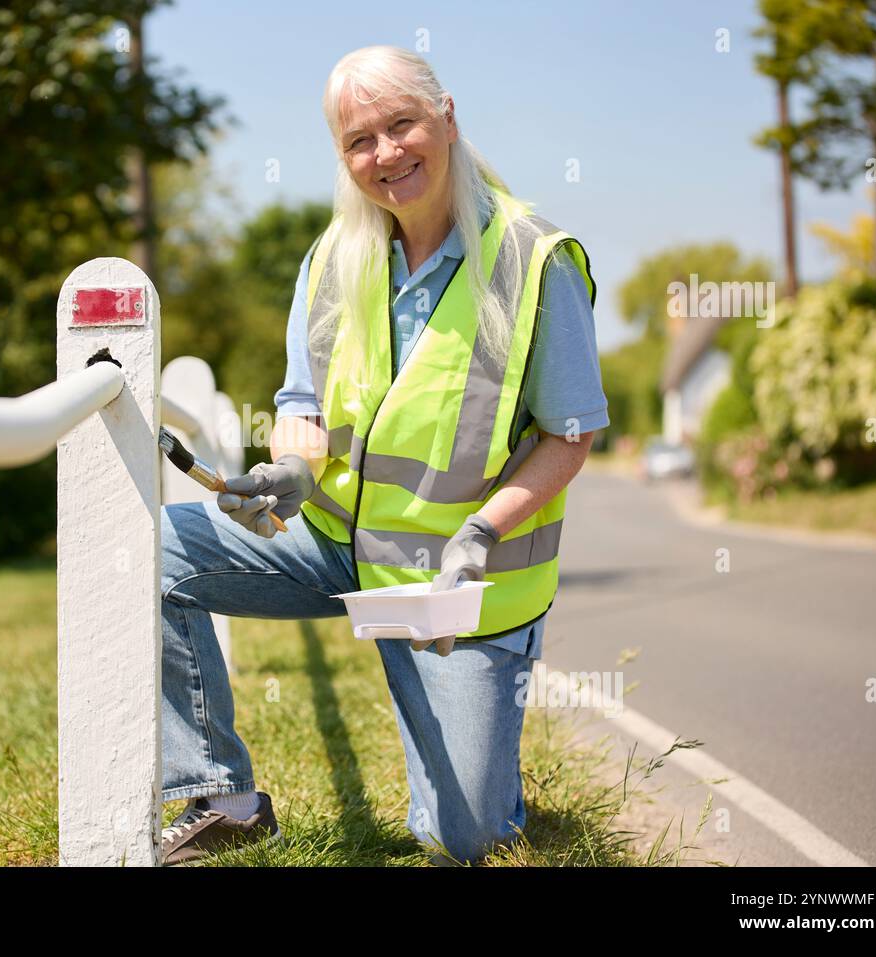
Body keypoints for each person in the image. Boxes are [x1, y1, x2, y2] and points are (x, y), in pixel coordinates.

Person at [158, 44, 608, 866]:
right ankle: (222, 795)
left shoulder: (534, 259)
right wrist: (291, 469)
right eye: (360, 140)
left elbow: (569, 435)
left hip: (460, 584)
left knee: (465, 839)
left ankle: (480, 777)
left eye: (402, 125)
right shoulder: (334, 257)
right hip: (339, 548)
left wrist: (481, 533)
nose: (386, 154)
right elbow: (303, 402)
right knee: (154, 548)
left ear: (447, 117)